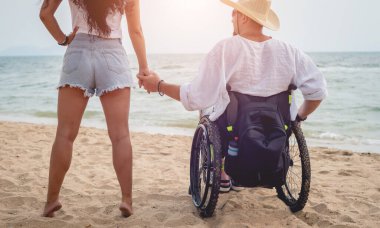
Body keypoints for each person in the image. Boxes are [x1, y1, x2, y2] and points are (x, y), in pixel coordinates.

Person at [138, 0, 327, 192]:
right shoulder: (290, 51)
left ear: (243, 16)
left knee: (207, 109)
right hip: (276, 127)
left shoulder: (226, 48)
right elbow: (318, 91)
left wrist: (159, 85)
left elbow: (195, 96)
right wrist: (298, 117)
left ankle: (223, 174)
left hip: (231, 131)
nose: (231, 18)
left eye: (234, 13)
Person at [39, 0, 149, 217]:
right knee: (120, 135)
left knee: (65, 134)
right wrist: (144, 67)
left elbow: (45, 14)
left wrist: (63, 39)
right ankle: (126, 200)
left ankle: (51, 201)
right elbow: (135, 30)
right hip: (113, 54)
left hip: (77, 51)